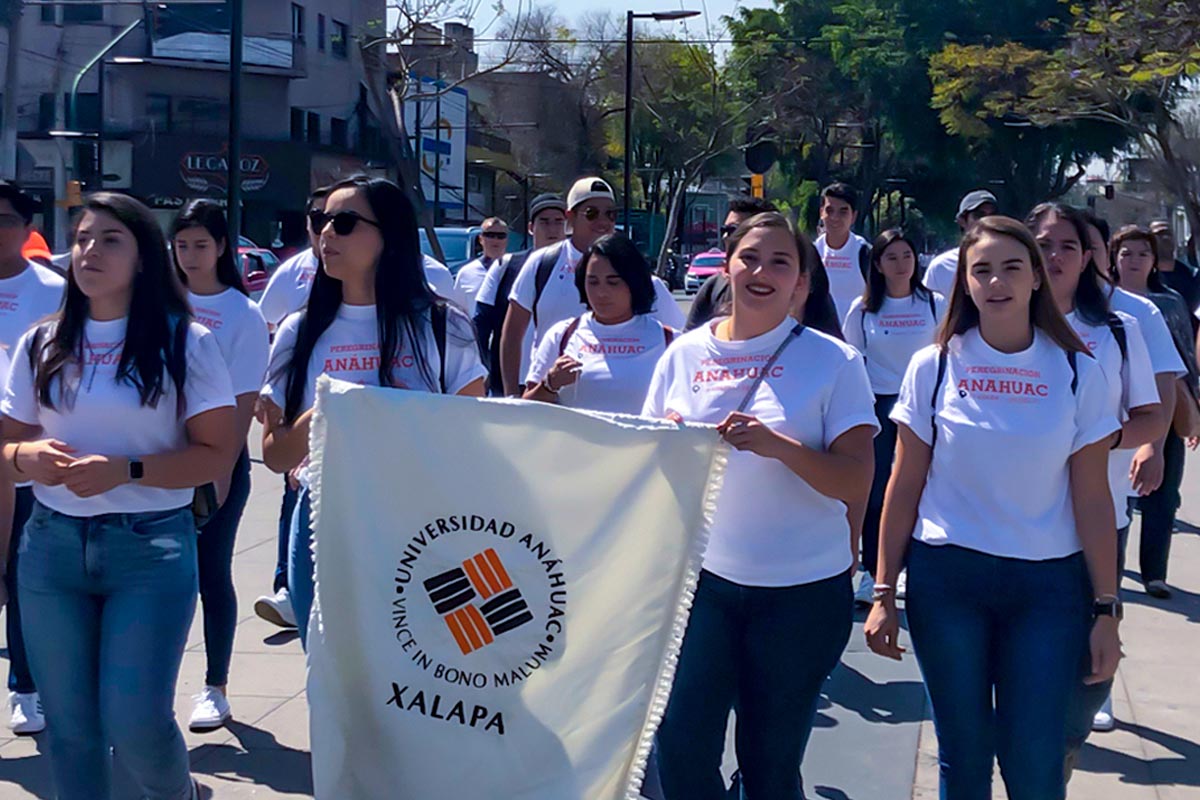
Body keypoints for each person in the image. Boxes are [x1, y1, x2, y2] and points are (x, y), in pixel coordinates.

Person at [865, 215, 1122, 800]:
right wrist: (883, 592)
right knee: (964, 757)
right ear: (966, 283)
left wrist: (1106, 607)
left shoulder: (1080, 370)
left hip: (1047, 590)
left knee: (1034, 761)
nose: (996, 282)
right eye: (981, 270)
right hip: (947, 581)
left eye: (1012, 267)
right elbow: (903, 487)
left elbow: (1091, 497)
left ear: (1036, 277)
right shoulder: (932, 367)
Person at [0, 192, 237, 800]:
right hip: (50, 551)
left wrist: (126, 470)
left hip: (149, 551)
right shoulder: (41, 342)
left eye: (110, 239)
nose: (89, 251)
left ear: (142, 259)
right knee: (72, 732)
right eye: (81, 238)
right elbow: (7, 440)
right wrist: (23, 458)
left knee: (136, 724)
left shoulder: (185, 342)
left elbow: (215, 455)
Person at [645, 212, 876, 800]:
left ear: (802, 284)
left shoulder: (835, 363)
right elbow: (646, 465)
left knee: (769, 764)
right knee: (681, 745)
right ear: (727, 268)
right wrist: (666, 441)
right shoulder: (684, 355)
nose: (762, 272)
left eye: (781, 262)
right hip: (701, 586)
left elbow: (855, 481)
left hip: (800, 593)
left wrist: (779, 447)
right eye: (750, 258)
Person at [259, 176, 486, 648]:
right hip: (324, 520)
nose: (326, 235)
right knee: (331, 675)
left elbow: (472, 434)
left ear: (389, 234)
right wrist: (326, 409)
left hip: (420, 523)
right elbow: (276, 456)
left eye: (344, 223)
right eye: (321, 221)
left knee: (421, 675)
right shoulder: (298, 332)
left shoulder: (443, 325)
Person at [1028, 206, 1165, 756]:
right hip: (1017, 528)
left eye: (1067, 246)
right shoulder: (1001, 321)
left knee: (1084, 682)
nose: (1054, 256)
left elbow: (1153, 416)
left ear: (1087, 259)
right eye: (1042, 244)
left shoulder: (1117, 329)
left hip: (1098, 518)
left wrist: (1094, 443)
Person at [170, 200, 270, 733]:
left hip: (215, 466)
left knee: (212, 574)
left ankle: (216, 686)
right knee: (162, 582)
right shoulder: (162, 302)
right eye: (181, 245)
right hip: (160, 461)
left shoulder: (242, 314)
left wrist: (218, 478)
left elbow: (241, 402)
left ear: (222, 248)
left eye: (200, 246)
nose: (190, 256)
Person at [498, 177, 681, 397]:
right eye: (592, 213)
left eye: (610, 214)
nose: (603, 221)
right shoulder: (541, 264)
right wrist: (511, 397)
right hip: (550, 399)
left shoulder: (644, 281)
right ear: (570, 217)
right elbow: (511, 333)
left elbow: (678, 346)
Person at [841, 229, 942, 606]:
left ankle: (909, 568)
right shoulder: (863, 310)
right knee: (877, 489)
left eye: (907, 256)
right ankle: (872, 571)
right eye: (892, 258)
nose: (901, 264)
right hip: (879, 407)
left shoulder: (935, 304)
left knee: (922, 486)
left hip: (926, 406)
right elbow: (852, 362)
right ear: (878, 266)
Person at [0, 181, 65, 736]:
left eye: (3, 219)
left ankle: (26, 687)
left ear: (27, 228)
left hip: (24, 463)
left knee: (22, 579)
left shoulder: (52, 291)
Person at [1110, 224, 1198, 600]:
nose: (1134, 260)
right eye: (1126, 253)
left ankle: (1154, 573)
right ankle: (1110, 569)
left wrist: (1192, 407)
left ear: (1154, 262)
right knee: (1118, 497)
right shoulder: (1102, 303)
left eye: (1142, 253)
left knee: (1161, 493)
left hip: (1164, 407)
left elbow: (1185, 359)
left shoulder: (1169, 303)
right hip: (1117, 412)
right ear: (1113, 258)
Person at [525, 234, 673, 414]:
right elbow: (526, 411)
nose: (601, 293)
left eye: (613, 282)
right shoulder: (562, 335)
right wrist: (549, 385)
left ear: (634, 282)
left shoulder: (669, 340)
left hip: (643, 442)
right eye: (593, 282)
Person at [474, 194, 567, 394]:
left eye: (559, 222)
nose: (552, 229)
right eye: (544, 222)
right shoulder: (505, 266)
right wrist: (483, 372)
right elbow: (481, 325)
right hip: (510, 385)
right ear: (531, 227)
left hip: (562, 383)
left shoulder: (581, 269)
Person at [685, 195, 778, 330]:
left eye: (733, 230)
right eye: (724, 230)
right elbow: (689, 340)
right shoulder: (714, 286)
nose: (725, 237)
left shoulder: (787, 283)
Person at [258, 188, 329, 329]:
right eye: (318, 219)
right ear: (307, 223)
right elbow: (265, 321)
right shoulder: (291, 270)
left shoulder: (367, 270)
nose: (327, 229)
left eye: (338, 220)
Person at [922, 189, 999, 296]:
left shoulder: (1007, 263)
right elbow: (928, 309)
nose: (986, 221)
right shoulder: (941, 267)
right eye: (979, 215)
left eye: (992, 215)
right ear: (962, 220)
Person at [813, 183, 872, 320]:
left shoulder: (864, 252)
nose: (835, 217)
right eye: (830, 210)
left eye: (843, 211)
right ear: (821, 212)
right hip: (822, 334)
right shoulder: (813, 252)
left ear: (853, 216)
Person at [454, 217, 510, 314]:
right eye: (490, 235)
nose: (495, 240)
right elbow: (458, 311)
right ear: (481, 239)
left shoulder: (518, 269)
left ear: (506, 239)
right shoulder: (466, 272)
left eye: (500, 236)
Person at [1149, 220, 1200, 322]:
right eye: (1159, 234)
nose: (1165, 238)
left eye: (1169, 234)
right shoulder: (1146, 277)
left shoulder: (1192, 275)